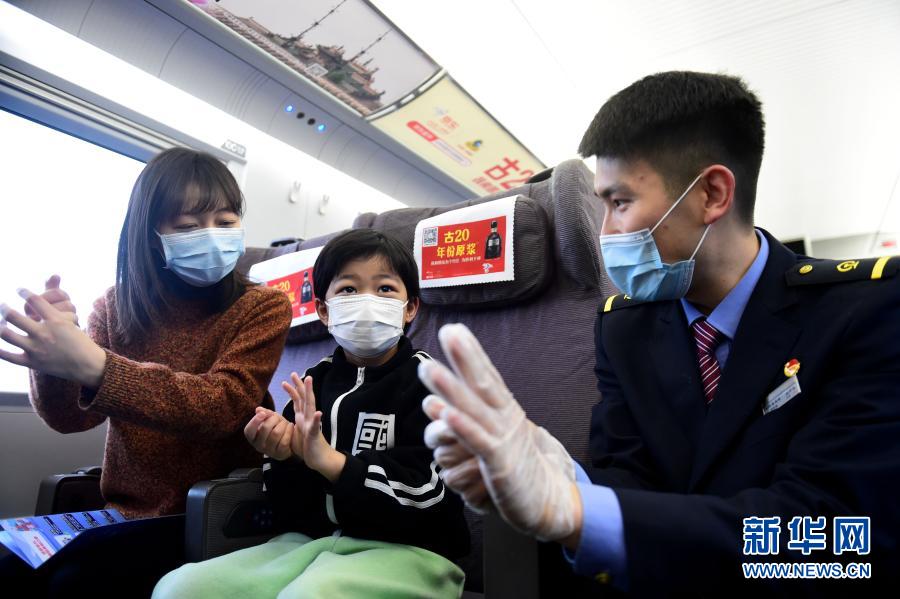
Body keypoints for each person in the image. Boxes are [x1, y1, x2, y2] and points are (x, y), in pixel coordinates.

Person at [418, 71, 900, 594]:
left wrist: (580, 511)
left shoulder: (863, 312)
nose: (605, 232)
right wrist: (567, 479)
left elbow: (836, 539)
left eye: (620, 202)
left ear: (712, 194)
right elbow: (630, 479)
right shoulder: (625, 330)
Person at [0, 147, 292, 595]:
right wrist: (54, 359)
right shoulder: (114, 307)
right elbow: (70, 419)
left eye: (225, 221)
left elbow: (223, 406)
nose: (212, 237)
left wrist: (98, 367)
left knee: (71, 583)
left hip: (210, 513)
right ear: (152, 235)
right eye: (188, 226)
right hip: (122, 512)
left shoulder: (263, 306)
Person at [153, 229, 470, 599]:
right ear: (323, 310)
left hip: (412, 552)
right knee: (180, 588)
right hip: (309, 544)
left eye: (385, 288)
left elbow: (430, 492)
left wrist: (333, 463)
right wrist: (285, 455)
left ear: (410, 307)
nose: (367, 301)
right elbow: (286, 506)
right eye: (348, 289)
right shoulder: (311, 384)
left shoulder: (432, 384)